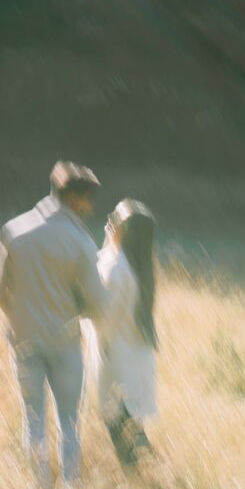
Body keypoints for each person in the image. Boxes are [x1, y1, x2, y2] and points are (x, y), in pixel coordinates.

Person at [0, 161, 105, 489]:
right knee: (69, 419)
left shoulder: (15, 229)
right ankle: (70, 488)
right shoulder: (81, 241)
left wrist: (19, 315)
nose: (91, 207)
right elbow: (96, 302)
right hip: (65, 341)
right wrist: (77, 309)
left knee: (33, 417)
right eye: (88, 200)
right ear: (76, 199)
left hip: (24, 339)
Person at [86, 199, 158, 468]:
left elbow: (104, 317)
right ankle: (153, 480)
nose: (109, 220)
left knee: (121, 430)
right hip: (133, 358)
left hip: (116, 360)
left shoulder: (117, 268)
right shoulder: (138, 265)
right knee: (131, 429)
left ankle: (146, 485)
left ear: (125, 232)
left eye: (116, 218)